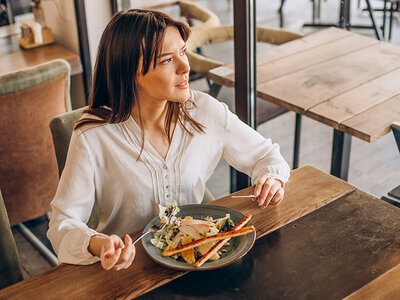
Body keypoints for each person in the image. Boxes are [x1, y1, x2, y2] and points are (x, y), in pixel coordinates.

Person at [47, 9, 290, 271]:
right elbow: (62, 224)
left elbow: (267, 156)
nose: (185, 67)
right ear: (130, 71)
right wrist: (99, 244)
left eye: (183, 52)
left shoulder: (206, 111)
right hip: (127, 272)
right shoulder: (92, 136)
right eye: (166, 60)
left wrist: (271, 179)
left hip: (202, 263)